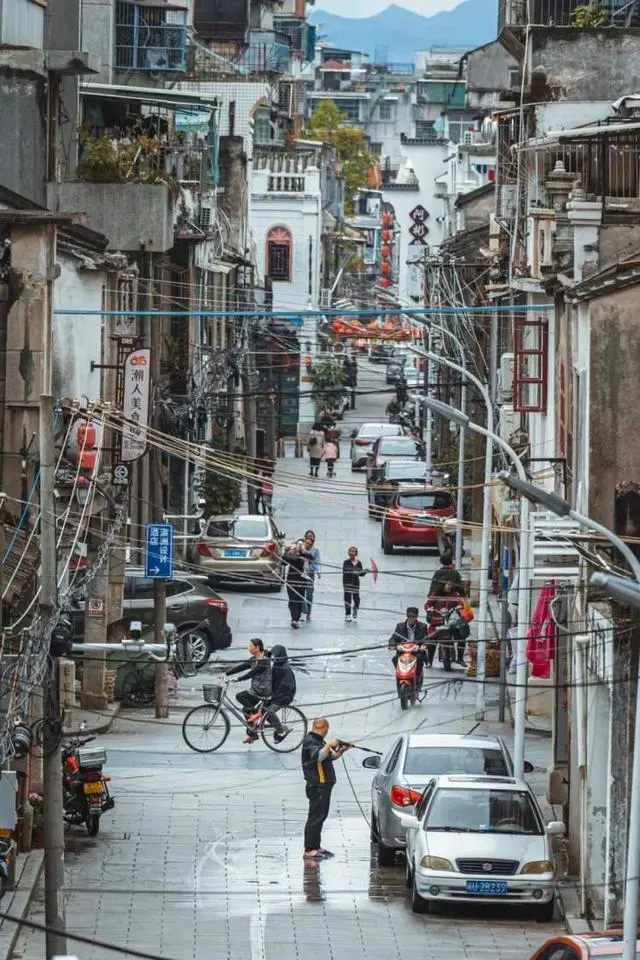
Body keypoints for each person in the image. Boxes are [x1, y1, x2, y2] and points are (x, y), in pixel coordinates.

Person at [301, 717, 351, 859]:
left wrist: (341, 751)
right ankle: (309, 849)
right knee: (315, 817)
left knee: (321, 816)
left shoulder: (318, 741)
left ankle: (316, 846)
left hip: (324, 785)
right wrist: (329, 744)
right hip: (317, 786)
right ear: (324, 728)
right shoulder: (310, 741)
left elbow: (329, 757)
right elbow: (318, 756)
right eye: (326, 730)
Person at [224, 638, 272, 743]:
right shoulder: (254, 658)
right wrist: (227, 673)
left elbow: (252, 673)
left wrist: (238, 679)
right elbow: (243, 666)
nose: (249, 648)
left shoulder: (264, 661)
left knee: (240, 696)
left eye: (251, 646)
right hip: (255, 690)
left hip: (262, 690)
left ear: (257, 647)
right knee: (246, 709)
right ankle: (253, 733)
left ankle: (257, 713)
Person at [425, 578, 466, 664]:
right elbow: (427, 604)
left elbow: (460, 603)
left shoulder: (455, 595)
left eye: (451, 584)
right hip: (437, 622)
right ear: (443, 585)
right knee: (431, 639)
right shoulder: (436, 594)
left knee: (462, 636)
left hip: (451, 622)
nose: (450, 586)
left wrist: (459, 607)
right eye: (448, 584)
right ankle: (429, 660)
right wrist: (429, 609)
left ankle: (460, 658)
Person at [388, 605, 432, 675]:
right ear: (407, 616)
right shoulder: (400, 626)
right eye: (409, 616)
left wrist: (424, 646)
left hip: (416, 650)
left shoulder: (423, 626)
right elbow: (393, 638)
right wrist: (392, 645)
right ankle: (400, 673)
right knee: (395, 659)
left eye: (413, 617)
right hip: (403, 650)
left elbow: (426, 639)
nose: (411, 618)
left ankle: (418, 676)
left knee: (419, 660)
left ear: (416, 617)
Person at [266, 644, 296, 743]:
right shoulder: (276, 665)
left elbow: (287, 686)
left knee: (269, 712)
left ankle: (281, 730)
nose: (273, 659)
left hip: (284, 697)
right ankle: (277, 727)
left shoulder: (285, 668)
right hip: (276, 695)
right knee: (262, 711)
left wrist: (274, 695)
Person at [283, 540, 313, 628]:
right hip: (291, 580)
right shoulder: (291, 554)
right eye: (298, 544)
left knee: (299, 600)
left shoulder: (306, 555)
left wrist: (302, 553)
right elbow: (283, 562)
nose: (299, 546)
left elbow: (311, 559)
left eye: (301, 545)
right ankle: (294, 619)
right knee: (292, 599)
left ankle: (295, 619)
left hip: (301, 581)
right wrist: (286, 552)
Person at [342, 546, 366, 622]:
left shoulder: (359, 563)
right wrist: (356, 571)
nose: (352, 553)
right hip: (347, 583)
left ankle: (355, 608)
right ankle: (347, 614)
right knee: (347, 599)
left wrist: (364, 571)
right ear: (348, 553)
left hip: (355, 583)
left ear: (356, 553)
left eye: (353, 551)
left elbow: (361, 573)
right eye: (350, 551)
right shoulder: (346, 562)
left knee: (357, 598)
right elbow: (346, 570)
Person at [302, 530, 321, 620]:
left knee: (309, 593)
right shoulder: (301, 548)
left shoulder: (315, 550)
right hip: (301, 573)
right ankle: (302, 612)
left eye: (311, 536)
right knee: (301, 592)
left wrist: (318, 571)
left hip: (310, 573)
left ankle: (309, 612)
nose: (310, 537)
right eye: (308, 536)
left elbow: (317, 562)